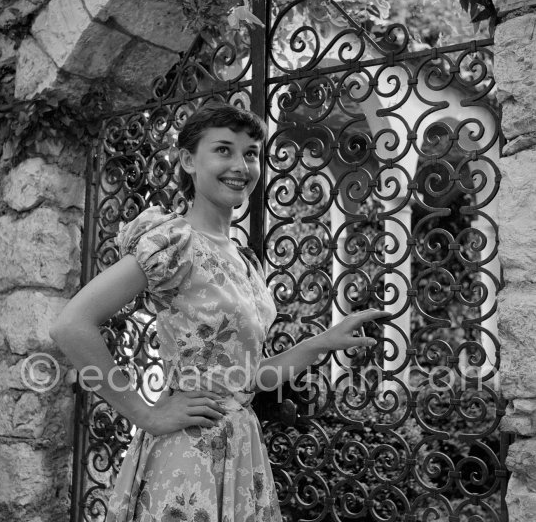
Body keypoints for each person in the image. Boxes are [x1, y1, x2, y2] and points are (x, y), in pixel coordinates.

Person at [50, 102, 390, 522]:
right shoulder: (173, 244)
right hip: (186, 451)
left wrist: (322, 342)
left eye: (250, 153)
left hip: (242, 448)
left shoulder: (246, 261)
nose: (241, 165)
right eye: (224, 150)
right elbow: (71, 326)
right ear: (189, 161)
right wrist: (145, 414)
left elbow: (247, 378)